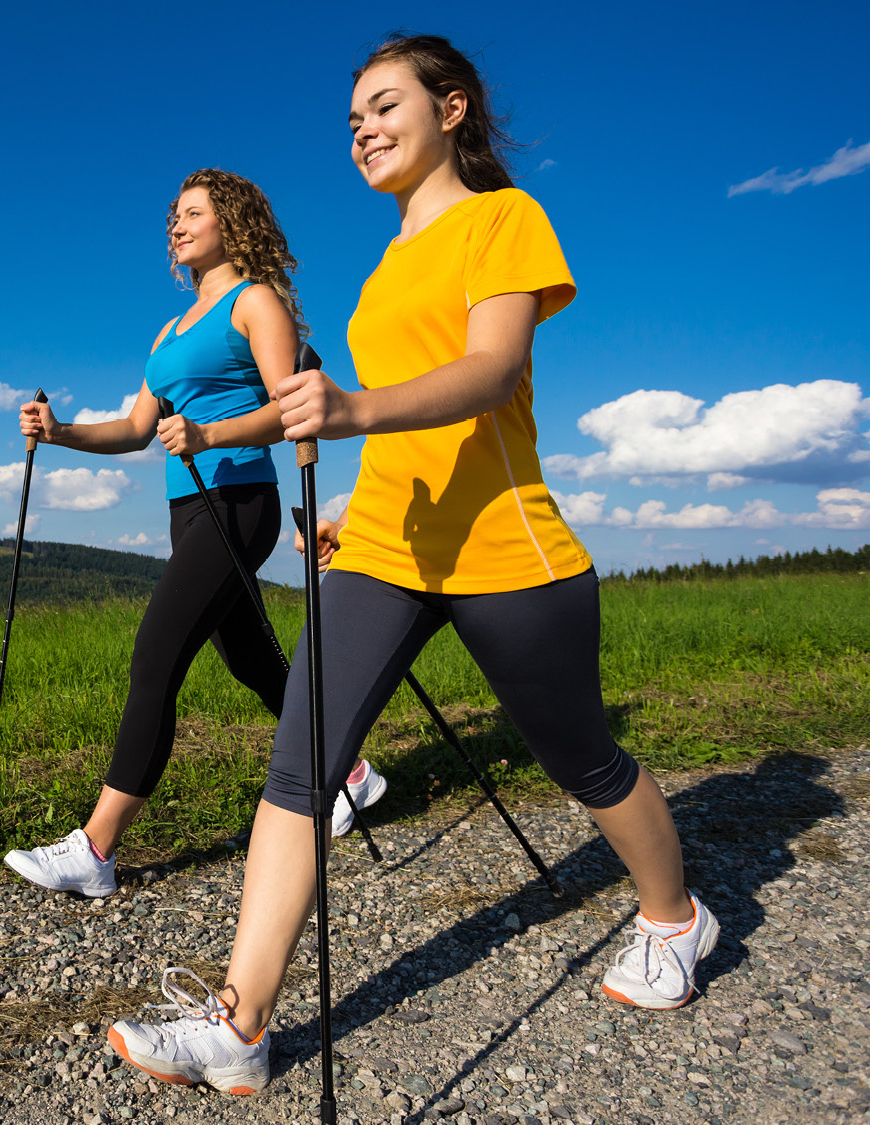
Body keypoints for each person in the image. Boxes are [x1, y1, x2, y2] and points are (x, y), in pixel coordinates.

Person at [106, 35, 718, 1095]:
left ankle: (677, 917)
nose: (364, 131)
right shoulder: (386, 265)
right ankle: (242, 1025)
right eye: (352, 122)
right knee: (297, 771)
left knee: (585, 762)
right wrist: (353, 497)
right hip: (387, 547)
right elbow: (402, 428)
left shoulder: (503, 220)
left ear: (455, 109)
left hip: (503, 545)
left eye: (385, 107)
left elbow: (488, 375)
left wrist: (346, 408)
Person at [2, 169, 385, 899]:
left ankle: (97, 847)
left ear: (231, 222)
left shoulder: (255, 302)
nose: (176, 227)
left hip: (239, 498)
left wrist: (209, 432)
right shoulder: (169, 331)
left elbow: (290, 407)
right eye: (172, 217)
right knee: (250, 659)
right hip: (190, 510)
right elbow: (136, 428)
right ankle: (352, 774)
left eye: (192, 214)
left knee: (156, 656)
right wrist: (60, 433)